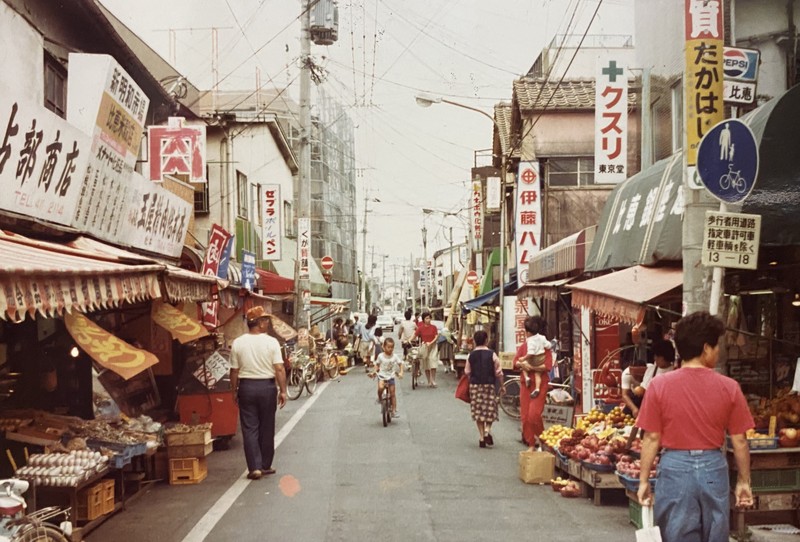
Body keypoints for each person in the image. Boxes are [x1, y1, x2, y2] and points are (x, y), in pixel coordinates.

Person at [636, 311, 754, 542]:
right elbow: (739, 440)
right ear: (706, 348)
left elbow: (651, 438)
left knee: (676, 533)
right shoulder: (729, 387)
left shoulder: (659, 386)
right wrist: (743, 481)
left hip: (675, 470)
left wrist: (643, 482)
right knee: (716, 532)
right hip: (713, 469)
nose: (718, 351)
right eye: (716, 346)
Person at [229, 306, 287, 480]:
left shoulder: (238, 342)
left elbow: (234, 371)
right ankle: (265, 465)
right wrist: (283, 390)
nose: (267, 323)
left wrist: (234, 391)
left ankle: (254, 467)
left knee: (249, 428)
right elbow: (279, 368)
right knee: (266, 426)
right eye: (265, 320)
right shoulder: (271, 342)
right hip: (267, 387)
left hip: (246, 388)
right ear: (260, 323)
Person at [514, 316, 553, 451]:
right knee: (525, 417)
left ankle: (542, 439)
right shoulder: (524, 346)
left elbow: (547, 366)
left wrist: (530, 367)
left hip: (540, 384)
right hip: (526, 384)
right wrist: (521, 364)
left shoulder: (544, 346)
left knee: (534, 414)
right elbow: (515, 362)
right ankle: (531, 443)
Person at [464, 330, 502, 448]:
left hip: (475, 386)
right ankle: (487, 430)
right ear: (486, 340)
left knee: (478, 411)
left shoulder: (471, 355)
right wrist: (502, 385)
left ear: (475, 341)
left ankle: (481, 438)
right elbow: (499, 372)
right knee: (490, 409)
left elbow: (467, 371)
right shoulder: (492, 354)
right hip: (489, 385)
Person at [369, 337, 404, 418]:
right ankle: (380, 398)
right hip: (382, 376)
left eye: (392, 347)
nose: (390, 349)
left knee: (392, 394)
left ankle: (394, 411)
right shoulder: (380, 356)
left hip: (391, 377)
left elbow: (400, 364)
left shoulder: (394, 356)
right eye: (388, 347)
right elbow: (377, 365)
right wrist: (373, 372)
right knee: (380, 388)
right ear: (383, 347)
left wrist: (401, 372)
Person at [522, 316, 550, 399]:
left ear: (528, 333)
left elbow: (530, 353)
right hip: (541, 358)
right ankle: (537, 389)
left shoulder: (529, 341)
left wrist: (523, 359)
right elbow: (548, 345)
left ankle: (527, 377)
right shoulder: (542, 338)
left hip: (533, 359)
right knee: (538, 374)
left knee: (524, 364)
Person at [414, 312, 439, 388]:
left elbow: (436, 336)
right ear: (423, 319)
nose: (428, 320)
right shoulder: (420, 328)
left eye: (429, 318)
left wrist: (431, 342)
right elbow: (414, 335)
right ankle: (429, 381)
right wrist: (408, 340)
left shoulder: (434, 327)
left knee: (433, 361)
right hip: (425, 347)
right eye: (426, 318)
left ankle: (433, 380)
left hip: (433, 346)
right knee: (426, 364)